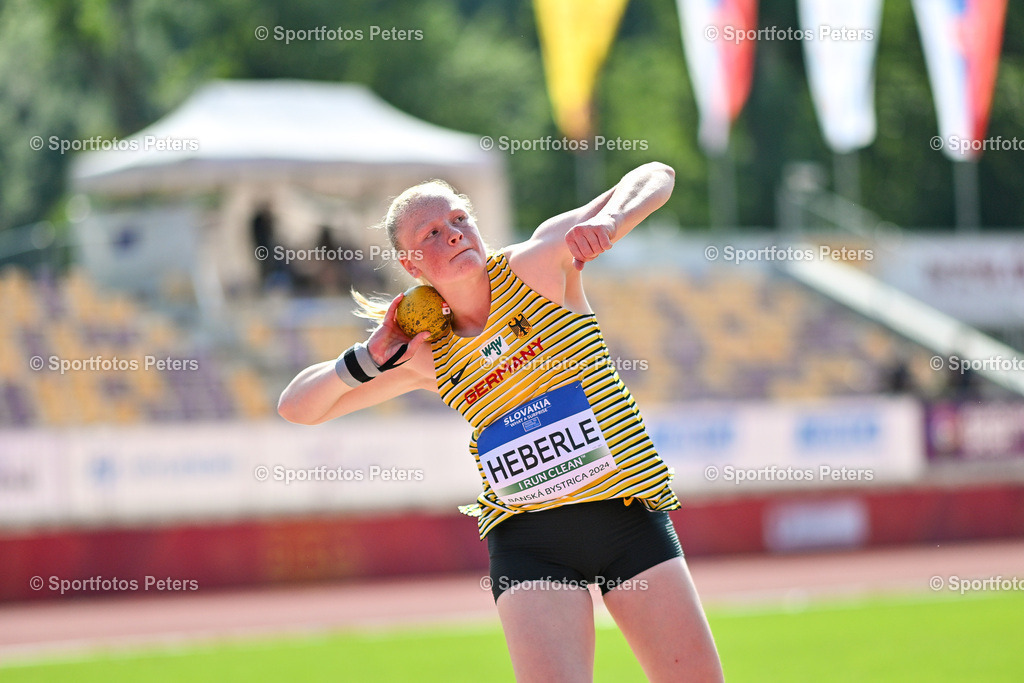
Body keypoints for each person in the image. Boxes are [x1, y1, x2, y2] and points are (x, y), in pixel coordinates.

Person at [278, 162, 724, 682]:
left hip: (626, 518)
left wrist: (614, 218)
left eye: (459, 218)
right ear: (411, 263)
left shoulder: (538, 266)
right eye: (433, 234)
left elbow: (658, 175)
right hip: (529, 543)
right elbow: (298, 407)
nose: (454, 234)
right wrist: (369, 357)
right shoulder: (426, 353)